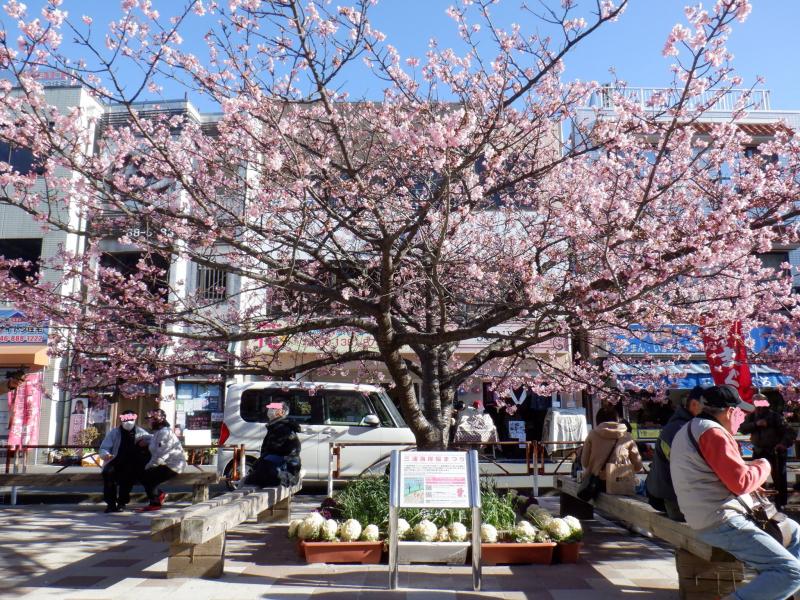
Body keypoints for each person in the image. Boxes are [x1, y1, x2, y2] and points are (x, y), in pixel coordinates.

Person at [670, 385, 800, 600]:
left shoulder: (690, 428)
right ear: (730, 411)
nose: (742, 420)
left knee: (794, 533)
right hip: (722, 520)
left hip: (706, 514)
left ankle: (774, 591)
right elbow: (741, 482)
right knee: (791, 573)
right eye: (741, 414)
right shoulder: (713, 433)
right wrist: (764, 465)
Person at [645, 386, 704, 520]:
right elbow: (685, 466)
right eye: (709, 408)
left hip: (671, 495)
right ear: (694, 404)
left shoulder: (685, 426)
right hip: (673, 499)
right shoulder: (679, 429)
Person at [740, 393, 796, 509]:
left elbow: (789, 432)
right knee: (756, 480)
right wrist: (756, 424)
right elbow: (742, 429)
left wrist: (782, 444)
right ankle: (758, 504)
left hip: (775, 451)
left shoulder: (775, 417)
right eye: (756, 402)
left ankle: (781, 505)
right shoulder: (751, 417)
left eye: (761, 402)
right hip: (759, 452)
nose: (759, 405)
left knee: (779, 480)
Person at [581, 406, 643, 495]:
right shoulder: (627, 436)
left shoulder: (592, 435)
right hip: (620, 483)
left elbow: (585, 462)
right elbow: (638, 466)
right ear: (617, 419)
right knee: (642, 485)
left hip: (597, 484)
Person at [98, 410, 151, 513]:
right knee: (108, 474)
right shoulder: (114, 432)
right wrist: (106, 455)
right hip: (115, 460)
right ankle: (111, 503)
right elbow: (104, 448)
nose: (128, 422)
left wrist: (146, 443)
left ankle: (122, 502)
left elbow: (153, 440)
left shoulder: (140, 432)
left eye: (131, 419)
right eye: (126, 419)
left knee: (127, 477)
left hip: (133, 462)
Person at [138, 408, 187, 512]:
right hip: (167, 463)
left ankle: (155, 502)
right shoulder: (159, 432)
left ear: (161, 419)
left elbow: (161, 454)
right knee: (143, 475)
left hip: (173, 465)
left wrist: (149, 466)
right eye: (149, 419)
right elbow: (153, 439)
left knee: (147, 477)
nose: (150, 421)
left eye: (153, 419)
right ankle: (159, 495)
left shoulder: (164, 432)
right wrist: (145, 440)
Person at [245, 401, 302, 487]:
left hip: (287, 470)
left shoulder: (282, 428)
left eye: (274, 408)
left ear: (282, 412)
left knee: (261, 469)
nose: (270, 410)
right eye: (270, 408)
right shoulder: (278, 426)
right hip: (287, 467)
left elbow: (273, 449)